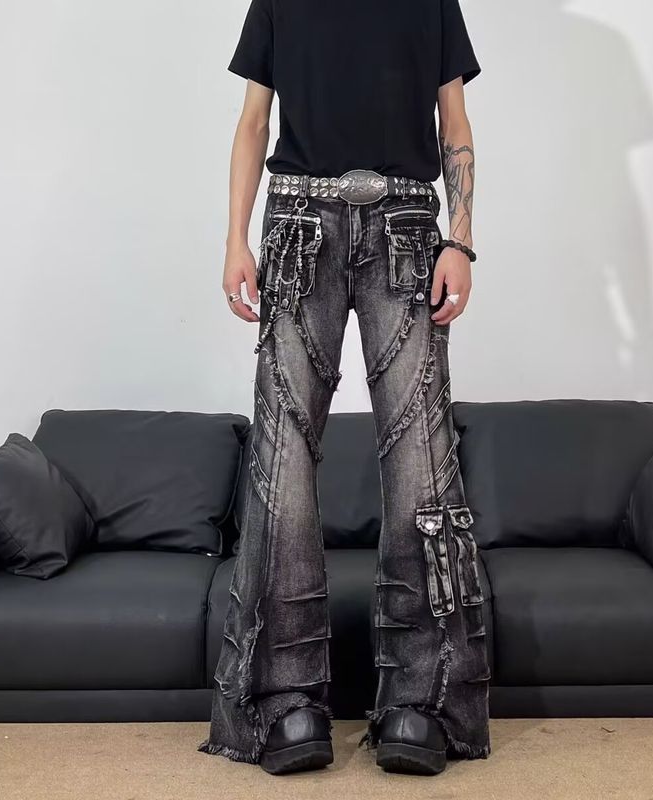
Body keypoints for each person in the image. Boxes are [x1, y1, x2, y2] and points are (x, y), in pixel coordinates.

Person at [198, 0, 489, 777]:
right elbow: (253, 121)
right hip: (297, 227)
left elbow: (454, 121)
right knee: (283, 464)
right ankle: (286, 703)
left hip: (408, 226)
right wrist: (234, 239)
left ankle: (420, 702)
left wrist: (461, 240)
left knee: (422, 462)